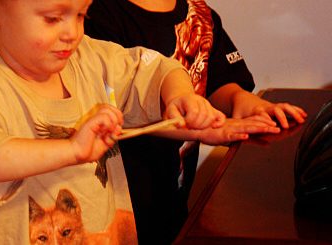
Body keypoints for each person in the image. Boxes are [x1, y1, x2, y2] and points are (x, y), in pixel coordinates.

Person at [0, 0, 236, 244]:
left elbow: (155, 67)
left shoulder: (89, 59)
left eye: (81, 14)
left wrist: (179, 96)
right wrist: (72, 150)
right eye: (53, 18)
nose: (72, 32)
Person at [84, 0, 307, 243]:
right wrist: (199, 127)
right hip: (124, 200)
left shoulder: (200, 14)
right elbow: (112, 105)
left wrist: (240, 101)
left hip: (172, 197)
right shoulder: (93, 15)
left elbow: (216, 80)